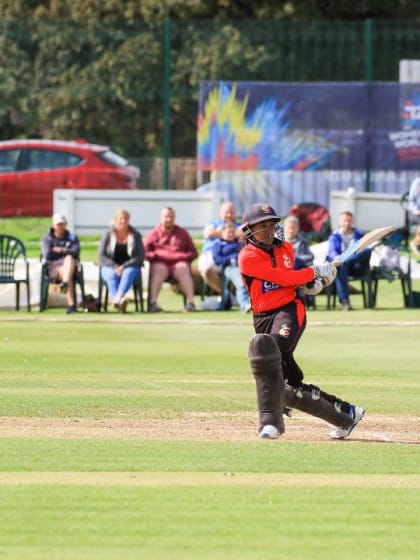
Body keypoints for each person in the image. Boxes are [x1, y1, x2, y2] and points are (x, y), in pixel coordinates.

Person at [238, 202, 365, 440]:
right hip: (262, 317)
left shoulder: (286, 249)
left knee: (269, 352)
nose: (268, 230)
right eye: (261, 226)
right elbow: (281, 277)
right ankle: (346, 414)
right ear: (249, 231)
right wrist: (314, 272)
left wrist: (313, 285)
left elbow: (291, 281)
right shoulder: (248, 256)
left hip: (289, 310)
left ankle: (270, 425)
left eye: (272, 225)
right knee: (284, 388)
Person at [144, 207, 198, 312]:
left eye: (171, 217)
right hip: (160, 262)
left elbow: (193, 252)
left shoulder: (183, 233)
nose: (169, 219)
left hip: (179, 263)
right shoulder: (153, 233)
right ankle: (153, 303)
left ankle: (191, 303)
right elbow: (145, 251)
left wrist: (184, 257)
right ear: (161, 218)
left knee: (183, 269)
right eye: (166, 217)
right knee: (159, 269)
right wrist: (155, 256)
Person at [98, 209, 144, 313]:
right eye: (121, 219)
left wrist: (124, 266)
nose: (123, 221)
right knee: (111, 275)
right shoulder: (108, 234)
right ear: (115, 220)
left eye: (126, 219)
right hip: (110, 266)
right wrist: (115, 266)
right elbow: (101, 255)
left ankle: (117, 298)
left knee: (128, 273)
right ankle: (120, 300)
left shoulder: (135, 235)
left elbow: (140, 256)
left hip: (130, 266)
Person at [326, 211, 371, 311]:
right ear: (340, 222)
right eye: (345, 220)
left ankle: (345, 261)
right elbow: (332, 252)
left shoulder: (360, 235)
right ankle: (345, 301)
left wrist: (345, 259)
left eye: (349, 220)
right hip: (340, 267)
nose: (347, 223)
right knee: (341, 266)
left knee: (367, 250)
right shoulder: (334, 236)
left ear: (352, 221)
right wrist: (339, 259)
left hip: (357, 266)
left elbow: (363, 250)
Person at [197, 201, 242, 294]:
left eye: (231, 212)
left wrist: (218, 233)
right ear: (220, 213)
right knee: (206, 270)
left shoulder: (239, 225)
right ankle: (226, 295)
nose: (229, 215)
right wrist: (232, 233)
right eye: (226, 212)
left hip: (232, 255)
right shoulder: (213, 223)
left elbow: (245, 232)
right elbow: (209, 233)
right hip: (210, 255)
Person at [41, 213, 81, 314]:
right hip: (53, 267)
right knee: (68, 272)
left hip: (68, 268)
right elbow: (47, 255)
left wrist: (62, 250)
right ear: (54, 225)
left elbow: (76, 252)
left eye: (62, 224)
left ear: (66, 225)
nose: (60, 227)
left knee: (69, 259)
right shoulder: (47, 238)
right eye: (58, 224)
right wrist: (67, 250)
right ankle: (71, 304)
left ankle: (65, 283)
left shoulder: (72, 237)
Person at [211, 222, 250, 313]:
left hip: (244, 266)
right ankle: (245, 305)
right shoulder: (218, 245)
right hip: (230, 267)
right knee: (241, 283)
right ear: (222, 233)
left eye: (232, 232)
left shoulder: (239, 243)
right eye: (228, 232)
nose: (231, 234)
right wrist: (230, 259)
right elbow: (217, 260)